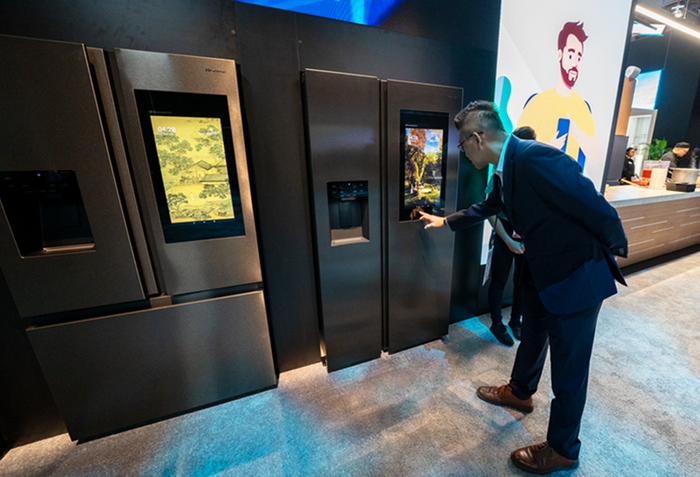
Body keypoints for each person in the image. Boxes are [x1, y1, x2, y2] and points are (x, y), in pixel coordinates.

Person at [420, 100, 627, 474]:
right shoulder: (505, 167)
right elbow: (489, 206)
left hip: (575, 276)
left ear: (478, 138)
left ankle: (563, 449)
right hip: (541, 269)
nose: (463, 154)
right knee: (532, 335)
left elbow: (591, 202)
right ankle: (520, 391)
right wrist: (446, 221)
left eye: (463, 145)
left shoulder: (534, 157)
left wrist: (612, 249)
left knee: (569, 369)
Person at [516, 21, 602, 171]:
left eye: (579, 57)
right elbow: (515, 151)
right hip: (538, 181)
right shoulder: (538, 102)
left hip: (569, 183)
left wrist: (576, 132)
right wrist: (547, 148)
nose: (575, 63)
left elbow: (595, 156)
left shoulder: (581, 107)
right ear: (560, 55)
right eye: (571, 54)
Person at [485, 126, 535, 346]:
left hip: (526, 232)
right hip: (504, 229)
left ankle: (516, 321)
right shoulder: (499, 173)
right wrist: (507, 239)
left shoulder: (533, 173)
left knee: (522, 281)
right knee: (498, 280)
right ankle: (497, 324)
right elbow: (488, 211)